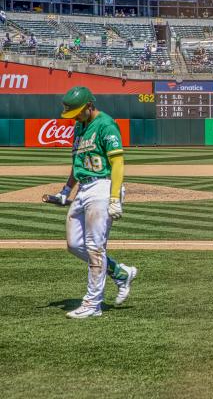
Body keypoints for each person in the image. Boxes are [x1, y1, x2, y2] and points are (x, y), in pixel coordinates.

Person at [52, 86, 137, 319]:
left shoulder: (106, 124)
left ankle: (93, 304)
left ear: (90, 105)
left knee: (94, 247)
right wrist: (66, 189)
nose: (75, 117)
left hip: (102, 186)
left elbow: (118, 162)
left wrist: (114, 197)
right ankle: (120, 272)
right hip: (83, 188)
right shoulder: (79, 126)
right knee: (74, 244)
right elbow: (78, 161)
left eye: (78, 112)